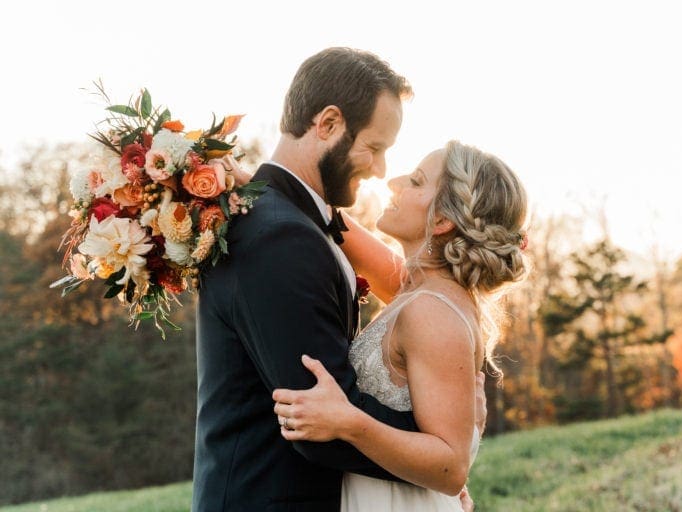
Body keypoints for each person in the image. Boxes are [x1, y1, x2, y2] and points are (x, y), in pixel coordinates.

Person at [192, 47, 422, 511]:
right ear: (329, 124)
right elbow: (318, 423)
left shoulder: (290, 219)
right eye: (374, 148)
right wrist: (439, 448)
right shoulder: (281, 238)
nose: (379, 170)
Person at [272, 140, 529, 511]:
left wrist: (348, 422)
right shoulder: (421, 291)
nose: (394, 182)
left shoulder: (431, 311)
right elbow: (339, 228)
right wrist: (256, 184)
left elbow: (451, 468)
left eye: (416, 181)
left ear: (441, 221)